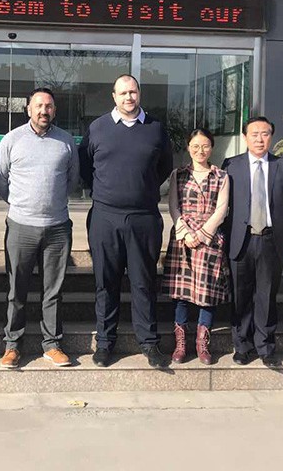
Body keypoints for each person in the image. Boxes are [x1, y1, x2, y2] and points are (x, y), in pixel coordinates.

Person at [79, 74, 173, 369]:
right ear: (114, 96)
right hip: (105, 217)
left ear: (139, 94)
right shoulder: (98, 128)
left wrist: (140, 190)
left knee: (143, 282)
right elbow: (86, 167)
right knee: (105, 283)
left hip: (144, 218)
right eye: (123, 93)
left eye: (132, 92)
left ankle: (149, 342)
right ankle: (105, 343)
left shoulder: (155, 128)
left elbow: (164, 167)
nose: (128, 97)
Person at [0, 87, 80, 369]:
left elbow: (72, 180)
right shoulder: (12, 139)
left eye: (49, 106)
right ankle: (12, 345)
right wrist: (22, 204)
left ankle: (52, 345)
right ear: (28, 109)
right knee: (16, 289)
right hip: (21, 226)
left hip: (57, 228)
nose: (44, 111)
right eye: (39, 106)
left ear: (55, 110)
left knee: (53, 290)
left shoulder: (66, 141)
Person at [222, 116, 283, 368]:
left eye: (265, 134)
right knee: (240, 295)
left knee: (266, 295)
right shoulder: (231, 165)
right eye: (254, 134)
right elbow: (223, 206)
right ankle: (242, 346)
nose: (259, 139)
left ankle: (266, 347)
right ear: (245, 137)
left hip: (271, 239)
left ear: (272, 136)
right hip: (240, 239)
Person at [164, 128, 230, 365]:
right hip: (183, 238)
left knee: (207, 293)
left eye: (205, 146)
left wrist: (202, 235)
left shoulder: (221, 176)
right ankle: (180, 343)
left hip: (209, 240)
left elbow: (221, 210)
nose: (200, 151)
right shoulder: (179, 174)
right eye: (195, 146)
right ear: (188, 148)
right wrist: (184, 232)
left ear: (211, 148)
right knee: (181, 292)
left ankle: (202, 343)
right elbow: (173, 206)